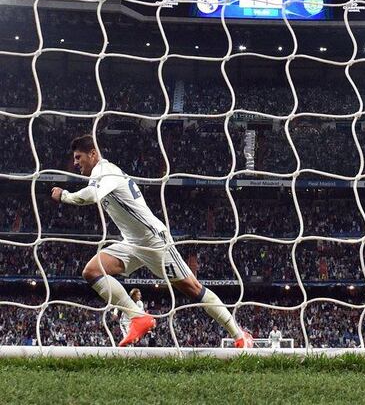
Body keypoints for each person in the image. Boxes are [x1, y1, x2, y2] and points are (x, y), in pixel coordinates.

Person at [51, 135, 253, 348]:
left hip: (154, 241)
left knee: (193, 288)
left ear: (93, 154)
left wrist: (64, 195)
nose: (75, 163)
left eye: (78, 157)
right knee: (92, 271)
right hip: (132, 242)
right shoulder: (99, 175)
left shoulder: (107, 171)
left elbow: (91, 195)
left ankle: (239, 336)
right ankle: (138, 317)